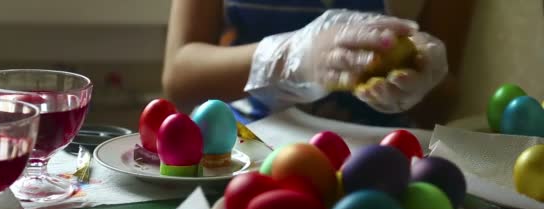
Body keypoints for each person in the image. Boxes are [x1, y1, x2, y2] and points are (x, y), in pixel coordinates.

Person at [162, 0, 474, 129]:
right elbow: (181, 79)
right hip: (242, 150)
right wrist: (289, 58)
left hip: (382, 163)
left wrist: (424, 77)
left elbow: (440, 107)